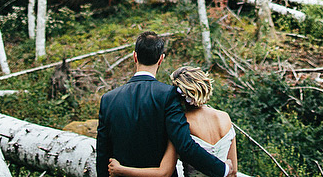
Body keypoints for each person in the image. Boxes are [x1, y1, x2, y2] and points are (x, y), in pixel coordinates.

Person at [96, 32, 234, 177]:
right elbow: (185, 145)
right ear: (161, 59)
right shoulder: (168, 95)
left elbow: (102, 154)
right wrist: (222, 169)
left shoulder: (108, 99)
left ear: (134, 57)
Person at [107, 66, 237, 177]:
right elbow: (234, 171)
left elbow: (164, 172)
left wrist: (120, 170)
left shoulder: (180, 124)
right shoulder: (224, 117)